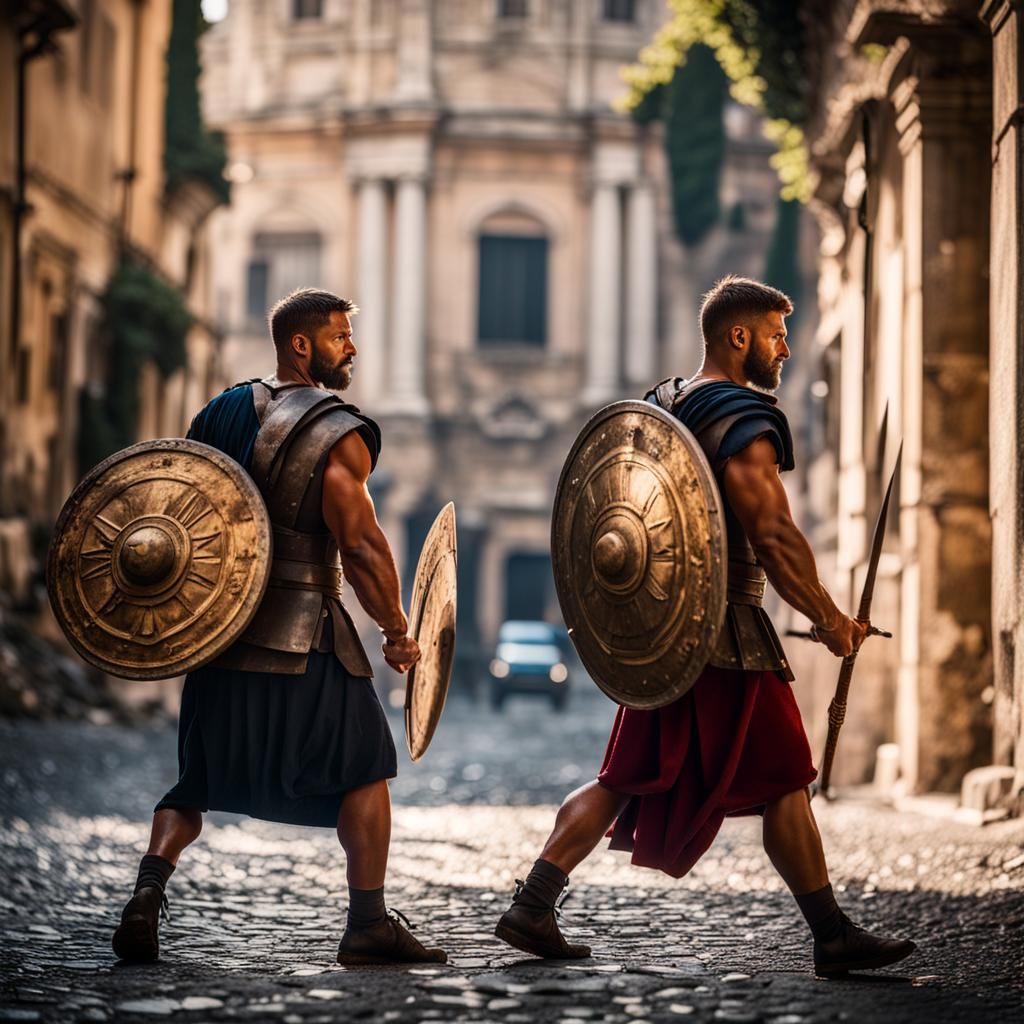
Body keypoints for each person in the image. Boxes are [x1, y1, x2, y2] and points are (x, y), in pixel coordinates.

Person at [494, 275, 916, 978]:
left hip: (666, 632)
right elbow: (773, 534)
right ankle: (832, 935)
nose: (785, 349)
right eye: (776, 336)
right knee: (785, 779)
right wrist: (831, 620)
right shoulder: (740, 417)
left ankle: (534, 902)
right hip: (727, 639)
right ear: (738, 336)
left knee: (626, 777)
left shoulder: (664, 406)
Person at [112, 288, 446, 966]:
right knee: (366, 770)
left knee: (194, 783)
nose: (351, 347)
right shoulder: (340, 431)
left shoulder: (220, 411)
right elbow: (361, 545)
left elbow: (177, 505)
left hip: (219, 633)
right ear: (301, 344)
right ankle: (368, 924)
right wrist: (395, 629)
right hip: (306, 637)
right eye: (339, 337)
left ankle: (148, 892)